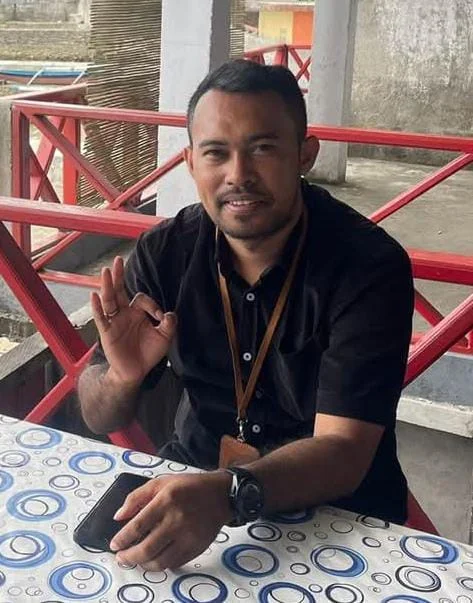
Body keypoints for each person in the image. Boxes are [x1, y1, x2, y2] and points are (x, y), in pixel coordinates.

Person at [77, 59, 414, 571]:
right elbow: (99, 416)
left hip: (341, 518)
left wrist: (225, 494)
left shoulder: (368, 266)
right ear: (191, 163)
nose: (238, 175)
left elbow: (344, 449)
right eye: (216, 153)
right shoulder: (165, 252)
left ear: (304, 154)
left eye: (263, 148)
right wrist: (121, 377)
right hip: (191, 489)